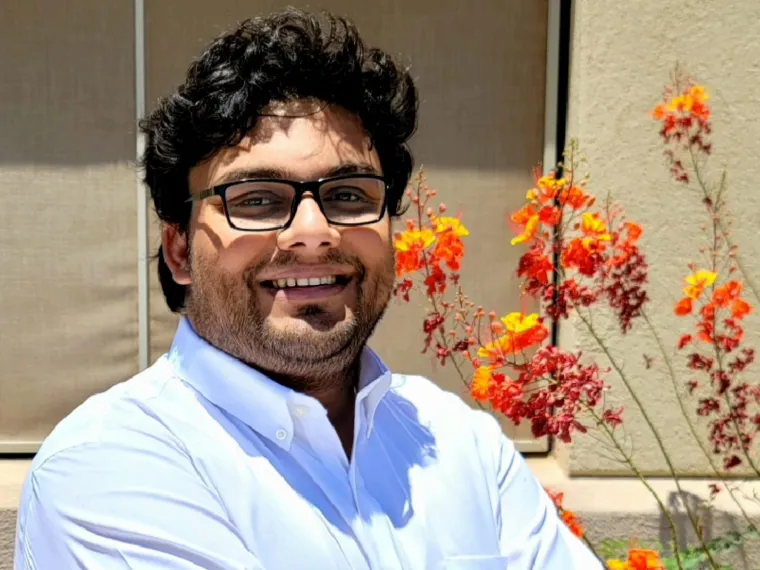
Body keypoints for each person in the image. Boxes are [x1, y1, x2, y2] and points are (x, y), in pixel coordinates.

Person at [14, 9, 602, 570]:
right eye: (257, 200)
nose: (314, 234)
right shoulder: (110, 467)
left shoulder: (460, 443)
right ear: (178, 250)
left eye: (349, 194)